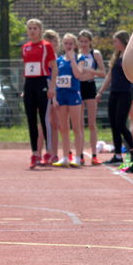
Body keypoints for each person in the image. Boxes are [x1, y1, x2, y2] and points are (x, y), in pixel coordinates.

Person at [21, 19, 58, 169]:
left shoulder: (46, 46)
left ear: (40, 30)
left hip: (42, 83)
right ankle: (35, 153)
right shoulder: (25, 48)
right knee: (30, 119)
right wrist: (24, 90)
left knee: (44, 118)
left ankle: (49, 151)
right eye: (29, 28)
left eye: (35, 28)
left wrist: (52, 87)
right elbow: (26, 68)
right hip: (29, 84)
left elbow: (54, 68)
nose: (32, 31)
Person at [97, 31, 133, 165]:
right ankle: (118, 155)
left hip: (125, 93)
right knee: (113, 125)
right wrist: (100, 92)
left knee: (120, 123)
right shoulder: (116, 56)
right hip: (114, 93)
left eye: (116, 41)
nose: (114, 44)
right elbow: (109, 76)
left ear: (123, 41)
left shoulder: (129, 55)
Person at [52, 33, 88, 167]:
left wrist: (72, 60)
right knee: (63, 128)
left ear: (75, 45)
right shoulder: (58, 61)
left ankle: (78, 157)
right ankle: (65, 156)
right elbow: (55, 80)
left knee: (76, 127)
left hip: (73, 95)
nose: (68, 46)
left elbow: (78, 74)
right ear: (63, 44)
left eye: (71, 44)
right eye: (66, 43)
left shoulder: (80, 58)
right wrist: (54, 98)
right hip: (61, 95)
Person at [77, 29, 106, 164]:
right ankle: (80, 154)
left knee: (92, 123)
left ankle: (94, 154)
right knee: (79, 124)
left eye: (86, 42)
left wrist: (90, 71)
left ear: (90, 42)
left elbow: (103, 73)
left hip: (89, 86)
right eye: (81, 41)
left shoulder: (95, 54)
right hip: (77, 87)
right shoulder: (76, 55)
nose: (83, 44)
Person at [38, 28, 61, 165]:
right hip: (45, 90)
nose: (51, 45)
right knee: (43, 125)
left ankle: (54, 154)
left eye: (54, 43)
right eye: (48, 43)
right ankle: (40, 153)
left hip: (58, 90)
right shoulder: (42, 59)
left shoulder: (59, 60)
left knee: (55, 124)